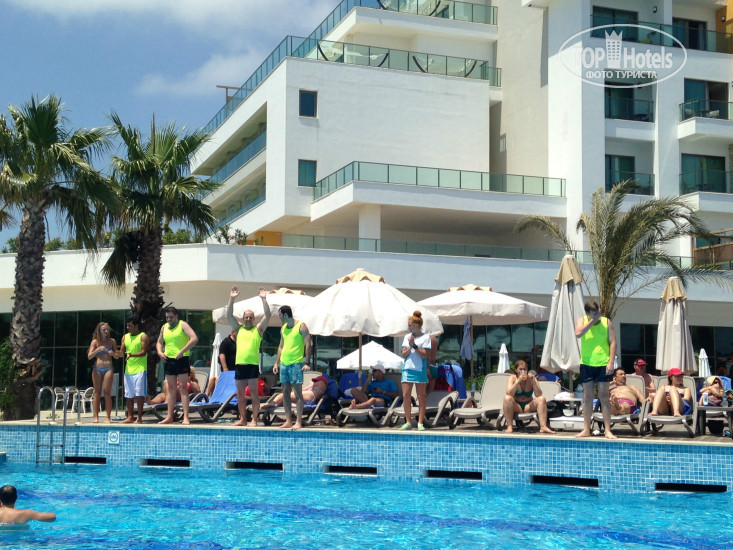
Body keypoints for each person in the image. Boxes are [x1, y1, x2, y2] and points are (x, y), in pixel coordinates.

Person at [227, 285, 271, 427]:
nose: (247, 319)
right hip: (240, 365)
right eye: (246, 317)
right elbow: (229, 315)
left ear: (253, 319)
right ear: (243, 318)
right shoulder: (238, 329)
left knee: (253, 394)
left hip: (252, 366)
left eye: (250, 317)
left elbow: (268, 315)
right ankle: (243, 419)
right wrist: (232, 299)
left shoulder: (258, 330)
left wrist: (264, 299)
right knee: (240, 394)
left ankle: (254, 420)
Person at [575, 300, 617, 439]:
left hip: (603, 364)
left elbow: (613, 342)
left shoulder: (606, 322)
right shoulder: (582, 320)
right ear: (588, 313)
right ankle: (586, 429)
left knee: (604, 397)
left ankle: (607, 430)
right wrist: (592, 321)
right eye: (593, 313)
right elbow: (578, 333)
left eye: (597, 312)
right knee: (588, 397)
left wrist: (611, 362)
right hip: (587, 364)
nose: (597, 315)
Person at [156, 306, 198, 425]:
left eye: (171, 317)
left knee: (183, 387)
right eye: (167, 317)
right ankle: (169, 416)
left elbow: (194, 338)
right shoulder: (164, 327)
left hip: (181, 359)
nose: (169, 319)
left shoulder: (182, 325)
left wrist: (182, 351)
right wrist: (159, 352)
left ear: (176, 316)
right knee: (171, 388)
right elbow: (159, 342)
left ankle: (186, 417)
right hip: (168, 360)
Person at [273, 305, 311, 430]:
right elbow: (281, 346)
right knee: (285, 392)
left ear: (285, 314)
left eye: (280, 315)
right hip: (284, 364)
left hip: (296, 363)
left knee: (298, 393)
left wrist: (307, 362)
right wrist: (276, 363)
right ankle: (288, 420)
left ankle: (298, 421)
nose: (279, 317)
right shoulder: (283, 328)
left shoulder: (301, 326)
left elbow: (308, 344)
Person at [502, 360, 555, 434]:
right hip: (517, 406)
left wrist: (534, 383)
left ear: (527, 370)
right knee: (507, 398)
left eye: (524, 369)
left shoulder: (531, 378)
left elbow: (538, 394)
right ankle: (509, 426)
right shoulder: (512, 378)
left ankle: (543, 426)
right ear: (516, 370)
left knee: (542, 399)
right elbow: (509, 393)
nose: (523, 371)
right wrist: (518, 381)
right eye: (520, 369)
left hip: (528, 406)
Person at [399, 311, 430, 431]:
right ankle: (408, 422)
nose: (409, 327)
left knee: (421, 396)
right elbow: (403, 354)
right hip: (408, 369)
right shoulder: (407, 337)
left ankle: (420, 423)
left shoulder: (426, 337)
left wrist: (415, 346)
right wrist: (410, 346)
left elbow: (424, 355)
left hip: (420, 370)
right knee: (406, 396)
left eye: (410, 325)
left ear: (416, 326)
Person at [87, 322, 119, 424]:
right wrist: (97, 350)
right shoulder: (95, 342)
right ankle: (96, 416)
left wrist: (113, 354)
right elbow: (89, 356)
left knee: (107, 392)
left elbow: (117, 356)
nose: (106, 331)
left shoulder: (112, 341)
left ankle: (108, 417)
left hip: (108, 368)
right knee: (97, 392)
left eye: (107, 329)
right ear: (99, 331)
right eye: (104, 330)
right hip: (97, 368)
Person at [120, 316, 149, 424]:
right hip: (128, 370)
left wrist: (132, 355)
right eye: (127, 326)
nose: (128, 328)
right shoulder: (125, 337)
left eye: (130, 326)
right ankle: (130, 417)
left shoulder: (143, 336)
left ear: (136, 326)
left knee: (139, 394)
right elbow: (121, 352)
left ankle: (139, 418)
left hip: (140, 369)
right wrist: (115, 354)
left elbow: (144, 352)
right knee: (128, 394)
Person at [207, 329, 237, 396]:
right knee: (226, 386)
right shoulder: (226, 342)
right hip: (228, 369)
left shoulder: (239, 342)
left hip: (236, 369)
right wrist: (225, 368)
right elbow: (221, 355)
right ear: (233, 332)